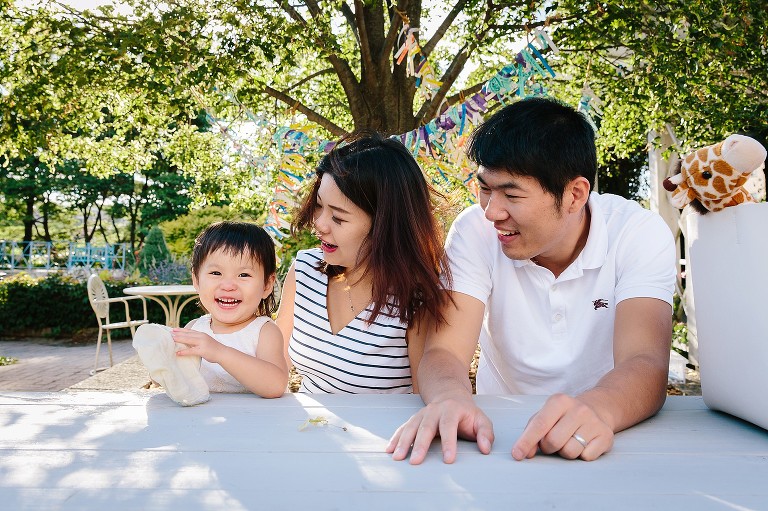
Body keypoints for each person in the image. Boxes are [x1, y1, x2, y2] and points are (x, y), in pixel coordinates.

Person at [386, 97, 676, 462]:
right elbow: (444, 351)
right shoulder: (474, 231)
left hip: (611, 431)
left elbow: (646, 361)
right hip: (497, 439)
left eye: (511, 194)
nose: (492, 212)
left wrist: (598, 408)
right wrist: (449, 399)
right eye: (485, 189)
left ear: (575, 194)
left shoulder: (637, 233)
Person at [275, 131, 452, 394]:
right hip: (307, 431)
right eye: (319, 206)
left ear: (385, 226)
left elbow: (424, 399)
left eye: (339, 218)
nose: (320, 224)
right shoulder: (304, 270)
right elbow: (275, 364)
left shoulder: (414, 298)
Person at [134, 221, 288, 403]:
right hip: (200, 425)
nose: (228, 285)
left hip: (250, 425)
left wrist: (220, 353)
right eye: (216, 273)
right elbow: (176, 374)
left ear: (267, 285)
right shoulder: (194, 329)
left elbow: (276, 385)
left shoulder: (264, 331)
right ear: (197, 280)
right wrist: (162, 366)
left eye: (243, 275)